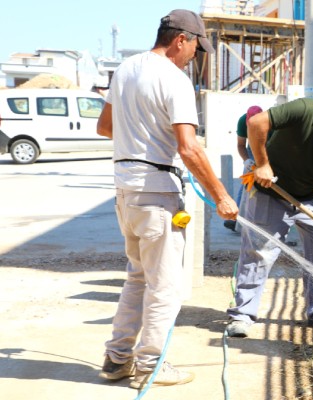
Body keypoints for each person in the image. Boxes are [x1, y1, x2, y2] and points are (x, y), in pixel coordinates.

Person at [96, 9, 238, 389]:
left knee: (138, 277)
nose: (195, 55)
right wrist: (221, 196)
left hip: (126, 191)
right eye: (196, 46)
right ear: (180, 40)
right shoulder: (175, 80)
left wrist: (139, 140)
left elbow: (104, 126)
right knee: (166, 286)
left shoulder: (126, 69)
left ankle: (117, 359)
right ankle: (150, 366)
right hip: (157, 193)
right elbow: (189, 149)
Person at [225, 98, 313, 337]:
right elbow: (256, 123)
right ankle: (242, 315)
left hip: (306, 195)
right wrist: (262, 164)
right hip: (269, 191)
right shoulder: (304, 110)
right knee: (259, 252)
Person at [223, 105, 267, 232]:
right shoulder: (243, 121)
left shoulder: (269, 122)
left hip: (269, 148)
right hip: (252, 149)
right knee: (247, 182)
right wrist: (247, 160)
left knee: (265, 184)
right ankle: (236, 218)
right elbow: (241, 144)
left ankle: (263, 219)